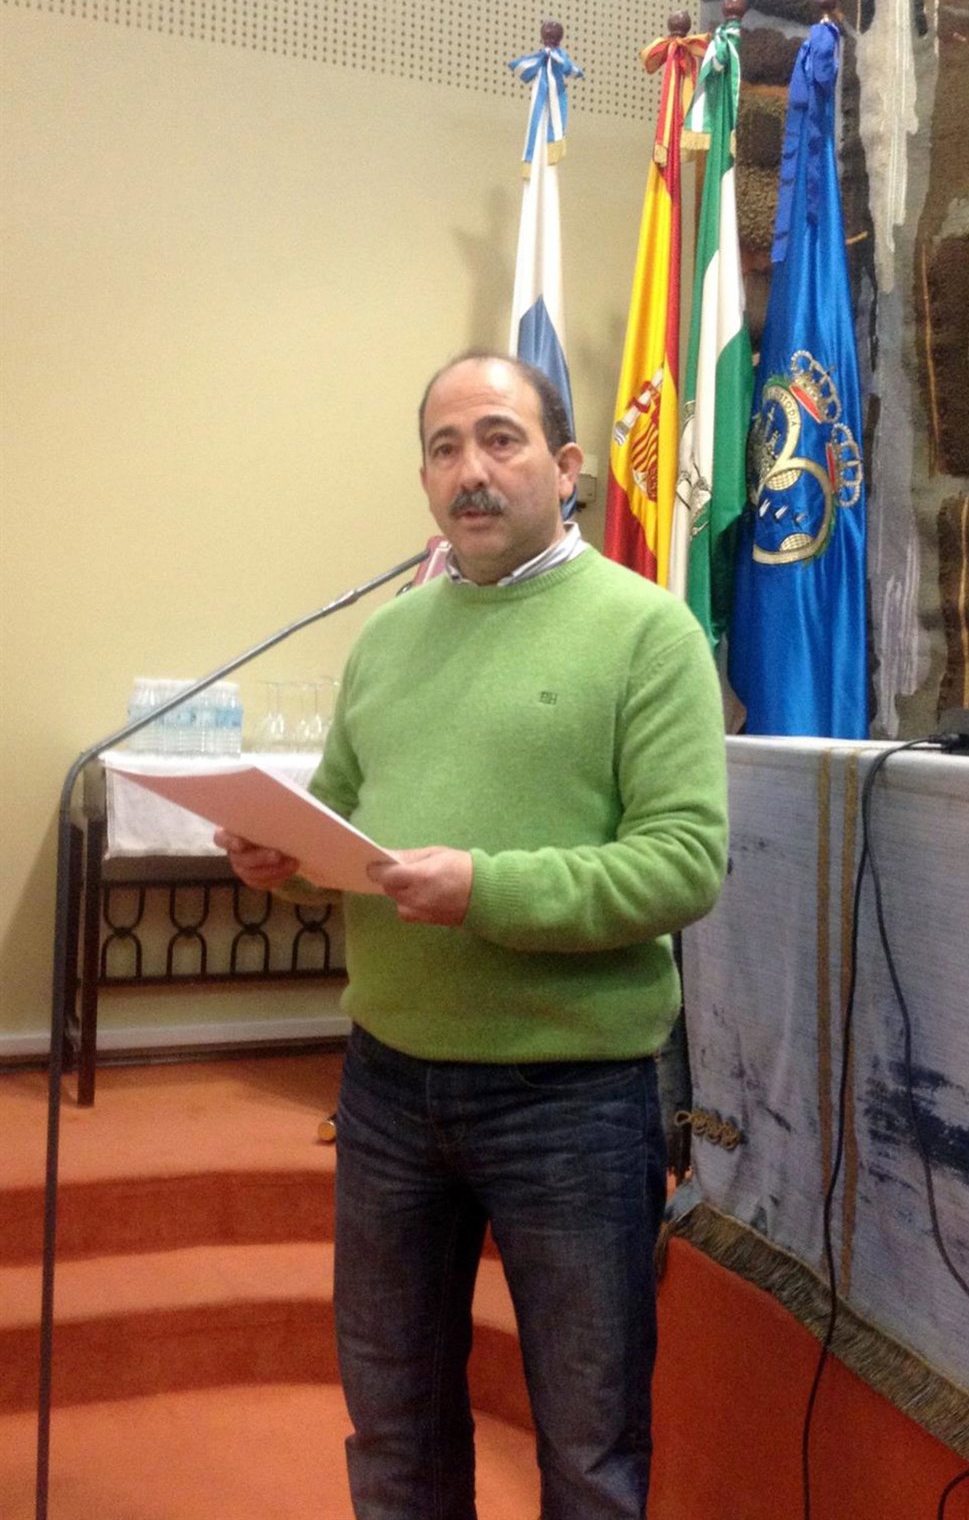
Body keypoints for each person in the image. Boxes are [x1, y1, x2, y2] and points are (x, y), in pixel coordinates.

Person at [217, 351, 729, 1520]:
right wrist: (280, 860)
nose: (471, 471)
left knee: (589, 1454)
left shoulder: (648, 633)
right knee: (395, 1432)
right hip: (388, 1087)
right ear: (424, 481)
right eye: (445, 450)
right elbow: (343, 822)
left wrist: (485, 890)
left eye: (500, 439)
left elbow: (684, 863)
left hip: (572, 1096)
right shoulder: (390, 638)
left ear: (567, 464)